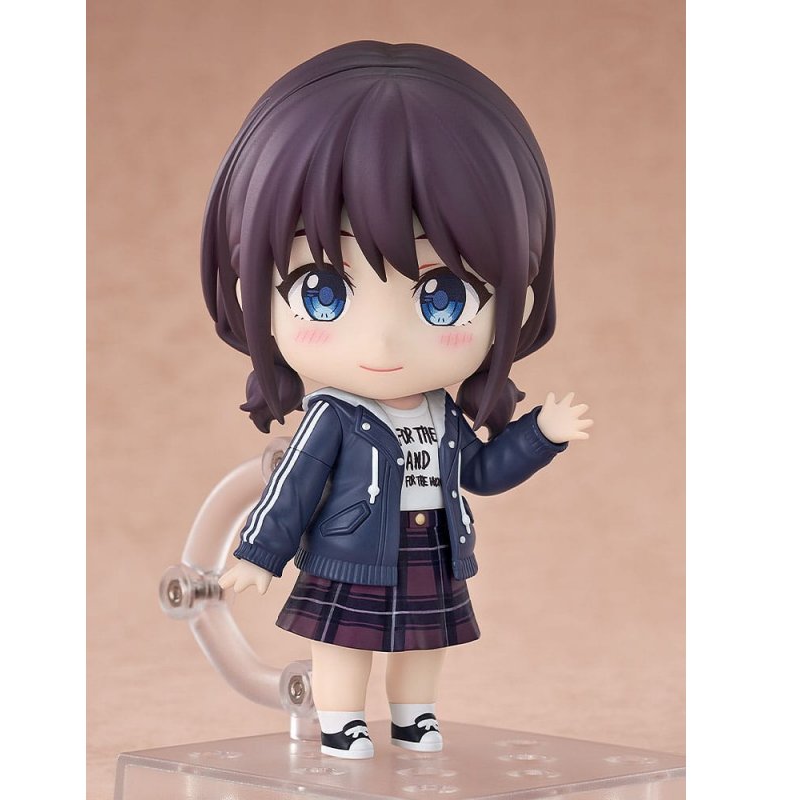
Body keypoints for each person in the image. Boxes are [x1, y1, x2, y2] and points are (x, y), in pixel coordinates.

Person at [201, 40, 592, 759]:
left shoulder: (442, 413)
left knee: (424, 642)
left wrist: (542, 434)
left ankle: (415, 715)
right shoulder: (333, 416)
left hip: (432, 545)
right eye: (322, 291)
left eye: (443, 297)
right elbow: (294, 487)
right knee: (342, 643)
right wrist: (259, 552)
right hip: (349, 554)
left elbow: (480, 472)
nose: (381, 341)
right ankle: (341, 721)